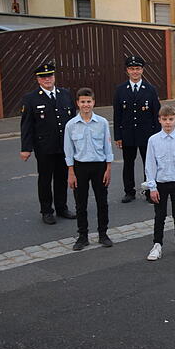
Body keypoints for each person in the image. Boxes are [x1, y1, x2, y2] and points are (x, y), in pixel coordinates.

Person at [19, 62, 77, 225]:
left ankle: (61, 207)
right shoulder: (30, 98)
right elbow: (26, 125)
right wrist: (26, 148)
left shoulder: (65, 94)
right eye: (43, 77)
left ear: (54, 77)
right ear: (38, 79)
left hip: (64, 146)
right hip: (44, 147)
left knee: (61, 177)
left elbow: (73, 120)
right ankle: (46, 210)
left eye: (50, 76)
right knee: (45, 179)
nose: (47, 79)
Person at [64, 88, 114, 251]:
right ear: (77, 103)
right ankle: (82, 236)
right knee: (81, 203)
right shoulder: (71, 125)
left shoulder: (102, 123)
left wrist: (108, 168)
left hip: (99, 166)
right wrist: (71, 172)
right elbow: (69, 150)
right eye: (83, 102)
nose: (86, 105)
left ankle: (103, 234)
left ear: (94, 102)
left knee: (102, 201)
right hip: (80, 167)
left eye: (89, 101)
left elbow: (107, 147)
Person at [145, 105, 175, 261]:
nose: (168, 123)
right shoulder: (153, 140)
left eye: (171, 119)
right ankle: (157, 245)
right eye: (165, 119)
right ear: (159, 120)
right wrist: (152, 187)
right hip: (160, 184)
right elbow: (150, 165)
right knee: (159, 216)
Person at [113, 55, 161, 204]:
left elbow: (156, 114)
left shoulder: (150, 89)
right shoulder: (120, 90)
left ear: (142, 70)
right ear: (127, 71)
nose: (135, 72)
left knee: (149, 164)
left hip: (147, 135)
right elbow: (117, 115)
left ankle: (149, 191)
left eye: (138, 69)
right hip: (128, 134)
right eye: (132, 69)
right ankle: (129, 191)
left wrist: (157, 136)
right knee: (128, 163)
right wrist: (118, 136)